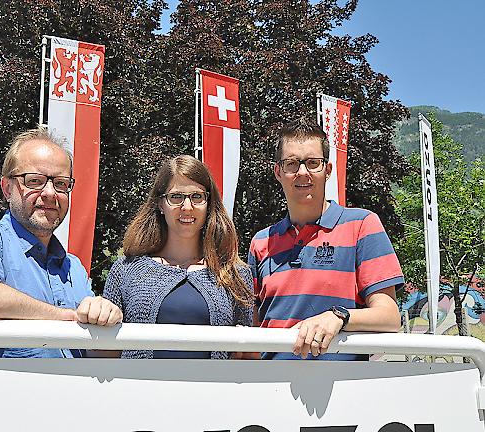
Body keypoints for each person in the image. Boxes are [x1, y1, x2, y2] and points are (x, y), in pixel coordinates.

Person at [0, 127, 122, 358]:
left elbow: (101, 360)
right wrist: (63, 317)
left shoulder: (73, 268)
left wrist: (106, 319)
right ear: (7, 188)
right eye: (35, 181)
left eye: (61, 184)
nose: (50, 193)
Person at [248, 118, 403, 360]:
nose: (302, 172)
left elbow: (390, 317)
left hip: (341, 388)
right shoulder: (261, 242)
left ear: (327, 170)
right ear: (278, 172)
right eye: (291, 164)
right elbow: (253, 327)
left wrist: (338, 316)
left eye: (313, 163)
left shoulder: (362, 225)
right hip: (271, 387)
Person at [103, 155, 254, 359]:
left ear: (209, 204)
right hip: (139, 390)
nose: (187, 207)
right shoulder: (126, 269)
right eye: (176, 197)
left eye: (197, 197)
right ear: (160, 204)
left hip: (212, 390)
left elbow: (246, 359)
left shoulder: (235, 275)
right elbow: (103, 351)